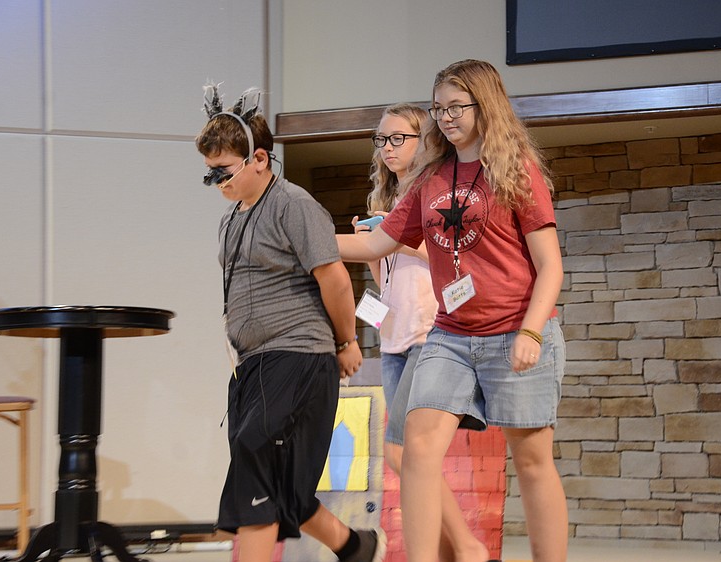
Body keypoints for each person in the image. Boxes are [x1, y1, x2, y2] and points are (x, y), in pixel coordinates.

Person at [336, 60, 568, 562]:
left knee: (532, 462)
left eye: (456, 107)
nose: (445, 117)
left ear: (486, 105)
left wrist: (531, 332)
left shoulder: (516, 170)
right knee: (416, 448)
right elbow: (375, 243)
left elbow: (551, 266)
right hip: (451, 335)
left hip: (515, 329)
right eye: (438, 108)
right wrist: (302, 239)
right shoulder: (430, 177)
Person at [196, 83, 386, 562]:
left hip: (296, 354)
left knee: (256, 459)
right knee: (280, 483)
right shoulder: (230, 219)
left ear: (259, 159)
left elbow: (335, 280)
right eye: (209, 173)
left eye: (223, 170)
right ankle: (355, 547)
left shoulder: (293, 205)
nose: (216, 182)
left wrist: (346, 342)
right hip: (253, 365)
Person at [351, 103, 488, 562]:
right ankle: (454, 549)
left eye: (398, 139)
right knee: (409, 455)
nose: (387, 149)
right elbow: (384, 280)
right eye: (381, 140)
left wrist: (398, 238)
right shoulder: (386, 202)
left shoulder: (438, 197)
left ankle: (466, 545)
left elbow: (456, 263)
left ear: (423, 141)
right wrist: (373, 245)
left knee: (403, 452)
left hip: (432, 332)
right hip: (394, 335)